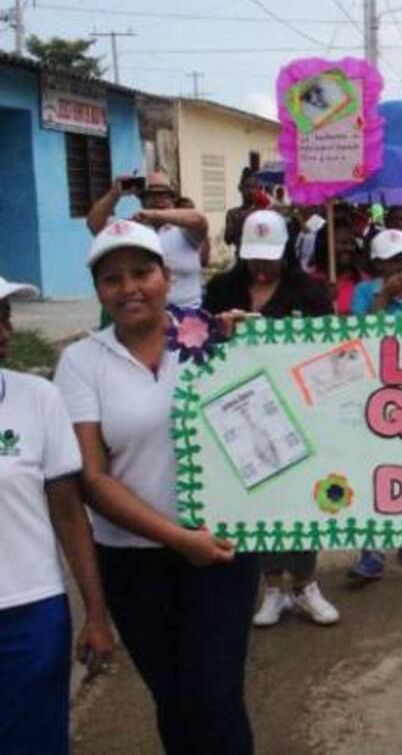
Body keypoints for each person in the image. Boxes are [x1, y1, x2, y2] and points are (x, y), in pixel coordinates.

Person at [56, 220, 260, 753]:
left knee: (216, 699)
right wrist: (176, 538)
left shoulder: (213, 336)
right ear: (98, 290)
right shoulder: (81, 362)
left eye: (142, 272)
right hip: (132, 563)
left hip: (219, 551)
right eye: (112, 279)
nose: (129, 289)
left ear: (167, 276)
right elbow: (93, 480)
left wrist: (258, 341)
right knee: (172, 701)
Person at [204, 210, 341, 629]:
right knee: (259, 495)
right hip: (242, 408)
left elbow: (329, 353)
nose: (261, 266)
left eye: (269, 257)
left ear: (285, 251)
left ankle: (304, 582)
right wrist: (220, 332)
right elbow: (198, 344)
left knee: (301, 495)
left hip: (297, 409)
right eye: (254, 258)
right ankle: (273, 586)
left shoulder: (312, 293)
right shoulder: (222, 289)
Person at [0, 277, 115, 754]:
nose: (3, 332)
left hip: (31, 612)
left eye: (4, 318)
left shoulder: (37, 398)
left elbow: (69, 515)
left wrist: (95, 613)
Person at [346, 229, 402, 584]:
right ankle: (371, 549)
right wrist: (383, 299)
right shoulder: (364, 293)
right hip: (374, 392)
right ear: (377, 264)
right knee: (374, 469)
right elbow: (357, 339)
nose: (400, 266)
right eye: (392, 260)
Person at [87, 171, 208, 308]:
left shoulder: (183, 230)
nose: (158, 200)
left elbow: (200, 220)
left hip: (187, 314)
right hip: (144, 317)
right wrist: (114, 193)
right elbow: (94, 224)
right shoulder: (132, 229)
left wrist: (154, 215)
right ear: (142, 201)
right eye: (152, 195)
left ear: (173, 199)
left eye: (164, 195)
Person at [223, 168, 263, 249]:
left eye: (254, 187)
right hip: (241, 258)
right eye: (247, 187)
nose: (250, 191)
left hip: (259, 259)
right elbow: (228, 240)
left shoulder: (263, 213)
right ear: (240, 188)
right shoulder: (233, 214)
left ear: (259, 189)